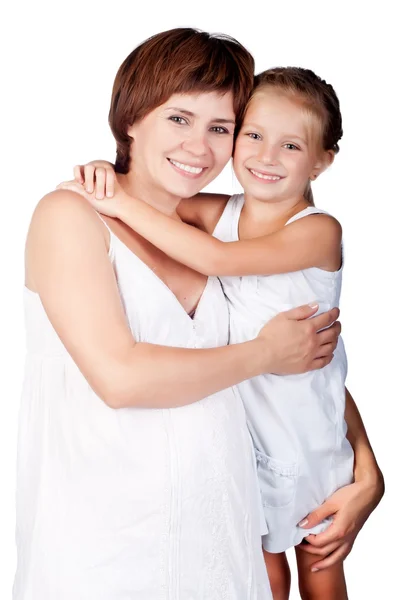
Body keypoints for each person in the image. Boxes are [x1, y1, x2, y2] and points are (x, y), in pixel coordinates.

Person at [13, 29, 348, 600]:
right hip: (105, 556)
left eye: (220, 127)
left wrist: (363, 471)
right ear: (131, 117)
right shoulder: (71, 216)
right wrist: (265, 353)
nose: (199, 146)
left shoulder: (221, 235)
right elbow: (121, 378)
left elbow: (310, 350)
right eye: (178, 118)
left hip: (222, 548)